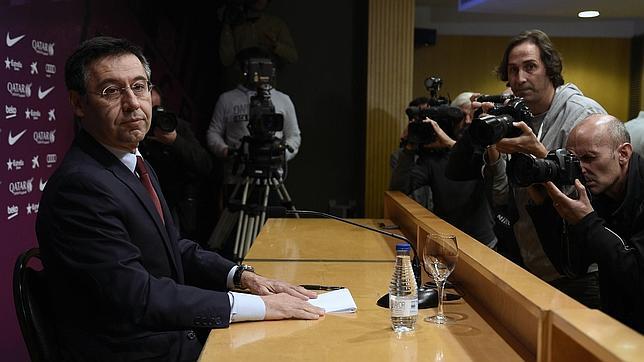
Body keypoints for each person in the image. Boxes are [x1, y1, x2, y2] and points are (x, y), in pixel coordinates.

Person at [35, 36, 323, 361]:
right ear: (78, 103)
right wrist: (261, 307)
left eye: (139, 87)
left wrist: (243, 277)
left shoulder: (134, 162)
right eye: (111, 91)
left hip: (168, 339)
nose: (132, 103)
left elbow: (174, 245)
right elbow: (139, 296)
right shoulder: (81, 187)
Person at [482, 29, 606, 306]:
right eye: (512, 70)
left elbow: (596, 196)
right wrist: (492, 151)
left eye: (530, 67)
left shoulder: (583, 114)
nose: (520, 78)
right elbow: (503, 196)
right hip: (534, 261)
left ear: (549, 68)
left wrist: (536, 152)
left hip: (580, 270)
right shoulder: (514, 116)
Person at [531, 115, 643, 333]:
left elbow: (637, 276)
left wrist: (587, 223)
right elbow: (572, 266)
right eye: (574, 160)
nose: (580, 169)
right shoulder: (597, 190)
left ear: (623, 153)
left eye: (589, 158)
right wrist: (544, 205)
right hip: (616, 324)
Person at [390, 93, 497, 247]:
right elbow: (398, 188)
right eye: (462, 117)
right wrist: (409, 147)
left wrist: (448, 143)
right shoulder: (432, 159)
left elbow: (480, 161)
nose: (466, 121)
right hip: (446, 241)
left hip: (482, 242)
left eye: (470, 116)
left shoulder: (480, 146)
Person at [138, 87, 213, 241]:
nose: (154, 116)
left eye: (157, 109)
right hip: (148, 202)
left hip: (179, 203)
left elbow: (205, 164)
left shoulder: (176, 127)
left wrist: (175, 141)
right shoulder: (136, 131)